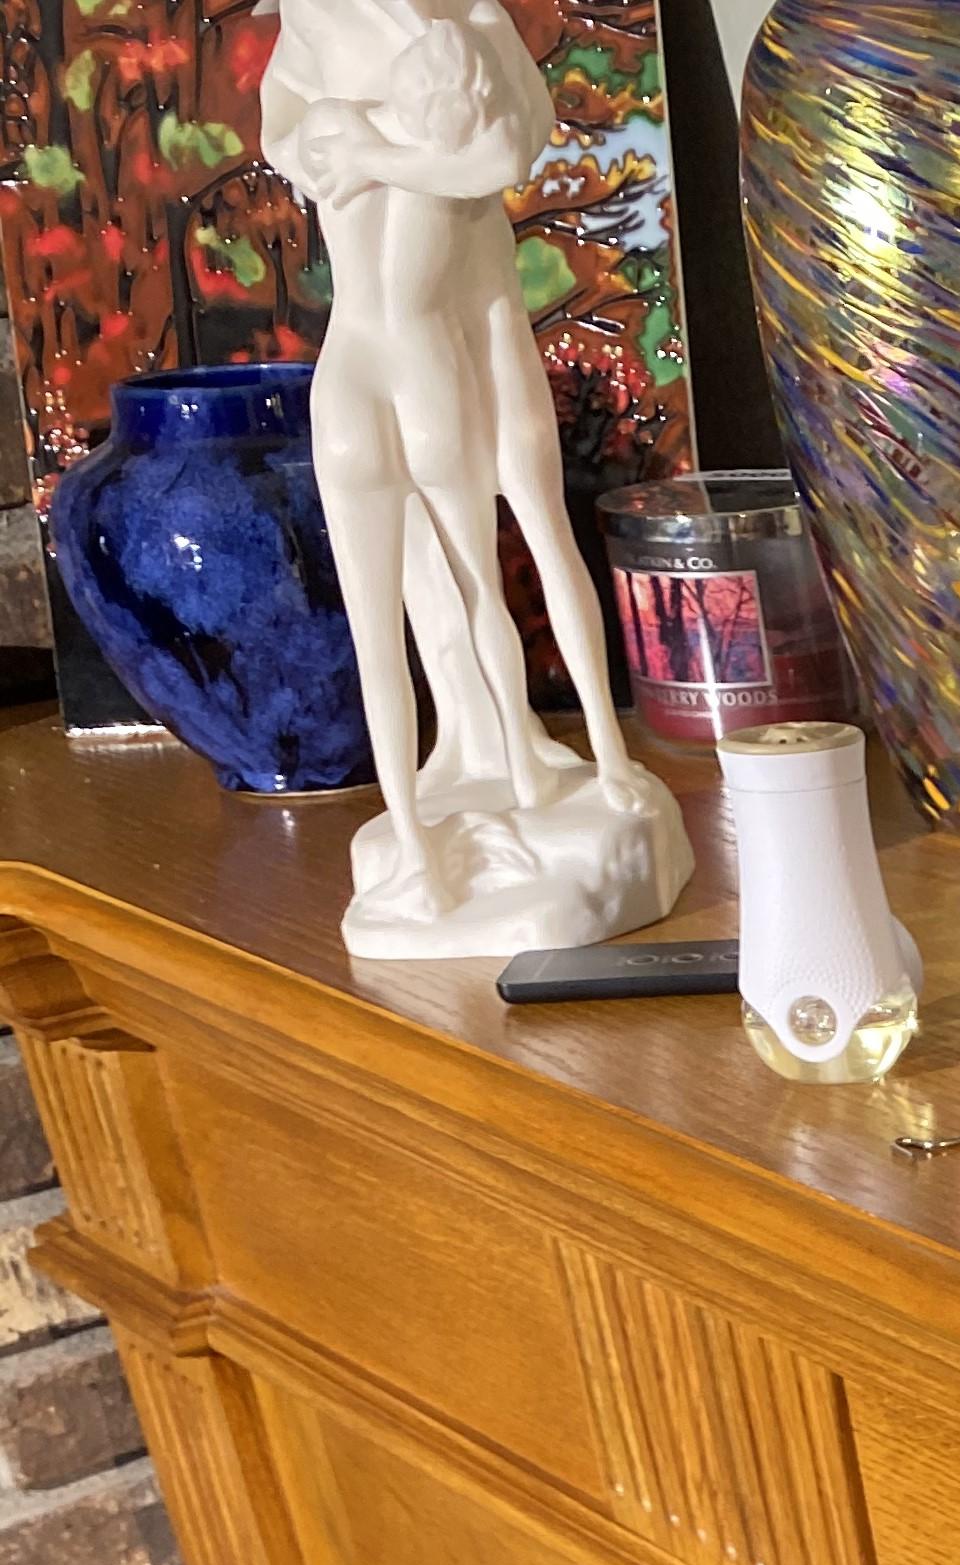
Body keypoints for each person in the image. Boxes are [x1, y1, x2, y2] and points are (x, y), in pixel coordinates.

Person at [259, 0, 650, 923]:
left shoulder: (381, 79)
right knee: (484, 583)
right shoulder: (388, 69)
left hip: (354, 377)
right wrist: (366, 145)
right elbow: (492, 156)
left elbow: (494, 157)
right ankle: (524, 767)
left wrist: (352, 148)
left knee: (392, 623)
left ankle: (460, 811)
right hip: (432, 364)